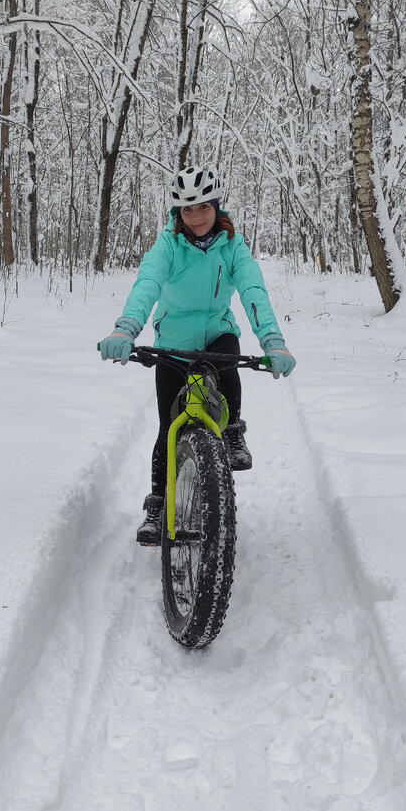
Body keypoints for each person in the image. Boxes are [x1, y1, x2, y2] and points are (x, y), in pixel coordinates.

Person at [99, 165, 296, 544]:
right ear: (178, 213)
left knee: (229, 365)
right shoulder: (168, 245)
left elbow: (253, 289)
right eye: (188, 210)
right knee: (167, 427)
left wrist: (272, 340)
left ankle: (233, 431)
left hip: (216, 335)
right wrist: (126, 328)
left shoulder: (233, 246)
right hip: (172, 343)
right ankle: (157, 504)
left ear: (216, 206)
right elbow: (148, 284)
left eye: (203, 207)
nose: (197, 217)